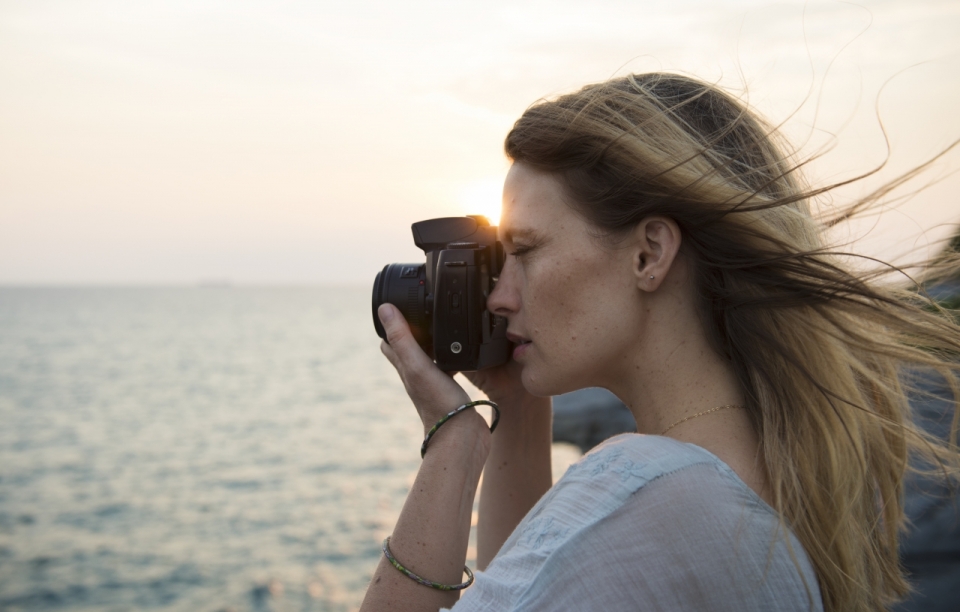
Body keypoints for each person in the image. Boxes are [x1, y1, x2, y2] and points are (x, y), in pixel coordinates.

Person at [359, 73, 960, 612]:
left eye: (526, 251)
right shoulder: (760, 478)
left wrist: (454, 445)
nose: (499, 296)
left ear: (649, 254)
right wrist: (515, 410)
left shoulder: (648, 490)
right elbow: (520, 590)